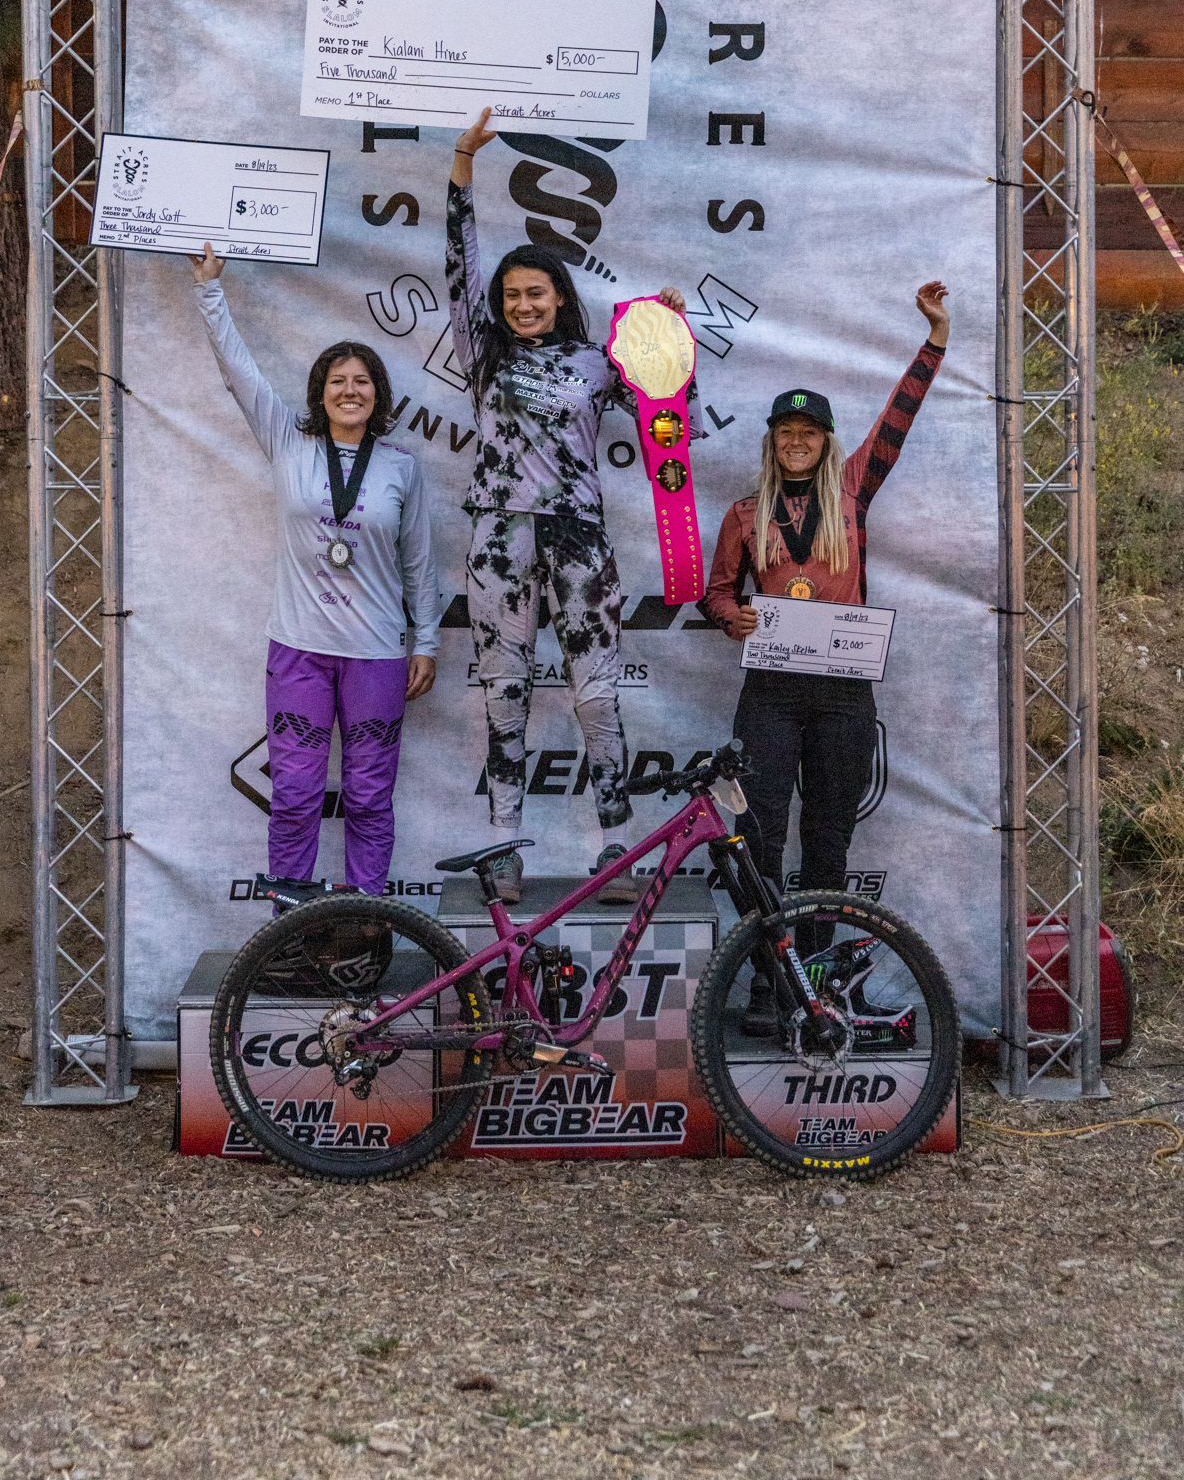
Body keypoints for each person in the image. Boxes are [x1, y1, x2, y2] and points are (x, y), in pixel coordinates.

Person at [447, 107, 687, 904]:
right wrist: (460, 164)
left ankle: (614, 842)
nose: (522, 305)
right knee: (503, 688)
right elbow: (457, 265)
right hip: (497, 536)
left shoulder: (593, 361)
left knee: (595, 689)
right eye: (512, 295)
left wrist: (665, 337)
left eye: (536, 293)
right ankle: (501, 848)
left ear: (559, 298)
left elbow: (668, 407)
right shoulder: (482, 356)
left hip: (578, 535)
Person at [700, 282, 950, 1027]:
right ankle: (764, 986)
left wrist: (933, 338)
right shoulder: (745, 514)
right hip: (771, 692)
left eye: (809, 432)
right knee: (762, 838)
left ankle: (818, 981)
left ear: (827, 441)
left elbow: (897, 419)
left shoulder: (853, 492)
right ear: (772, 441)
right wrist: (732, 618)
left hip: (842, 693)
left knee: (829, 840)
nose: (797, 441)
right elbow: (712, 593)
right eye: (786, 433)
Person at [189, 241, 440, 901]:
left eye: (361, 382)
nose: (349, 390)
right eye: (337, 382)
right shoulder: (287, 444)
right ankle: (288, 929)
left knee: (367, 796)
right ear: (319, 395)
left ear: (377, 395)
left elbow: (419, 563)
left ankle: (367, 920)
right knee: (296, 795)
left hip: (377, 655)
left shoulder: (401, 468)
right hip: (298, 650)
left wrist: (428, 642)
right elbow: (238, 373)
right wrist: (210, 290)